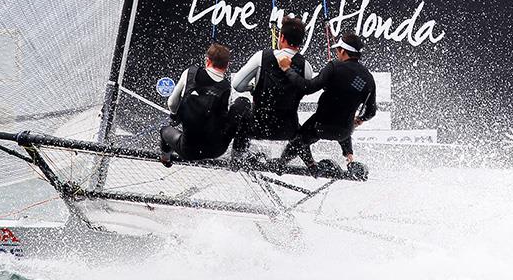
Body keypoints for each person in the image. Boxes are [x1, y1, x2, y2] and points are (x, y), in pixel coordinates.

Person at [278, 32, 376, 176]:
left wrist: (287, 70)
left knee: (299, 139)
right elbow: (371, 112)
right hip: (344, 131)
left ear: (343, 51)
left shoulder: (334, 66)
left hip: (320, 127)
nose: (337, 54)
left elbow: (308, 87)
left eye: (338, 51)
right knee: (345, 117)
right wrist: (360, 120)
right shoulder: (368, 78)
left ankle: (283, 163)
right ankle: (350, 159)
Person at [229, 17, 314, 157]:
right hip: (287, 130)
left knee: (242, 106)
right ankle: (299, 164)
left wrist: (252, 88)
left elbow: (237, 85)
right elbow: (303, 91)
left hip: (257, 127)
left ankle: (236, 159)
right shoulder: (306, 67)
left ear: (281, 37)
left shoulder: (261, 57)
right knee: (301, 132)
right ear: (300, 41)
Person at [159, 42, 243, 165]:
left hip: (188, 150)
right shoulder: (227, 86)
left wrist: (174, 116)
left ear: (207, 60)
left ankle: (165, 158)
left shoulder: (190, 73)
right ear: (227, 66)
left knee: (164, 131)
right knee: (240, 104)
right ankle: (237, 158)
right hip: (217, 149)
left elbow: (171, 102)